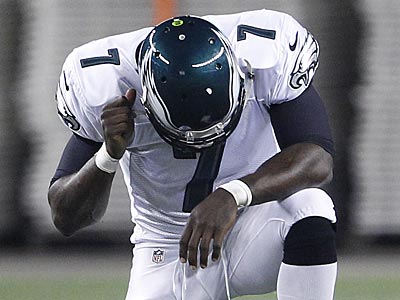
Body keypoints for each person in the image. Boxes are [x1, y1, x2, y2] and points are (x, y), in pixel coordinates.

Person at [49, 9, 338, 300]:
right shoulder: (104, 84)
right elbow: (65, 218)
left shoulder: (265, 55)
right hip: (165, 250)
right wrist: (108, 155)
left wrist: (234, 194)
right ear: (146, 101)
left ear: (239, 78)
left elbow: (317, 158)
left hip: (248, 227)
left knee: (310, 206)